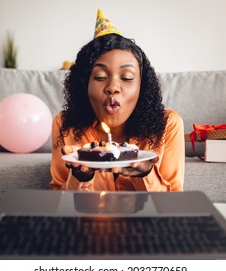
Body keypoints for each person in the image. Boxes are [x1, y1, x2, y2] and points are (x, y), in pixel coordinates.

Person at [50, 9, 184, 192]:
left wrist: (145, 175)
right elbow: (60, 202)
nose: (112, 87)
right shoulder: (65, 124)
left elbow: (174, 205)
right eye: (99, 76)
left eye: (127, 77)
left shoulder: (168, 124)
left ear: (141, 85)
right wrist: (80, 178)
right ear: (84, 83)